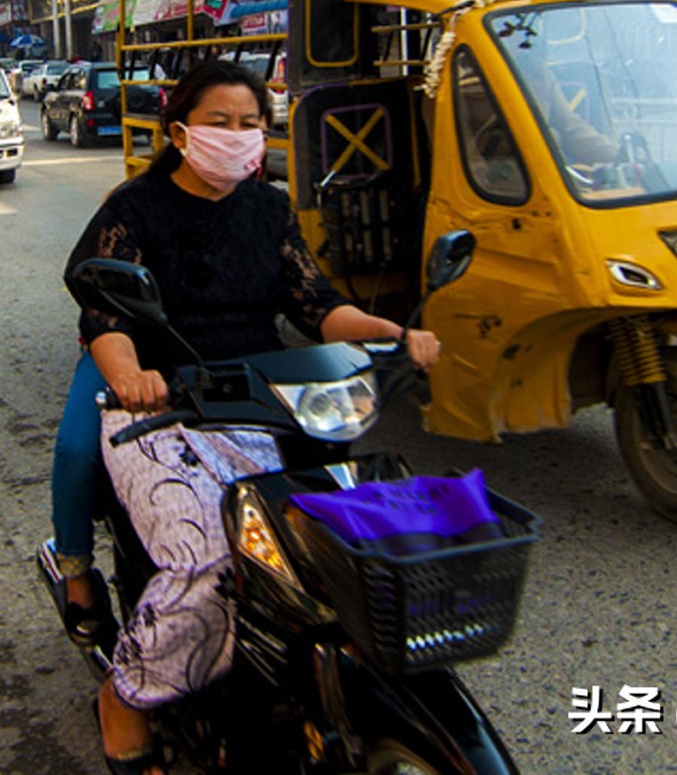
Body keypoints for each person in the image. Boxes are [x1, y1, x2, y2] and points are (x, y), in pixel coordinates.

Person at [58, 58, 440, 775]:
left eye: (251, 123)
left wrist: (389, 332)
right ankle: (126, 697)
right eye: (220, 122)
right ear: (179, 131)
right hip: (166, 408)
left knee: (349, 544)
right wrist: (132, 377)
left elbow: (316, 304)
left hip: (266, 399)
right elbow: (106, 316)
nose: (237, 136)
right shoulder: (134, 209)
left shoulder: (268, 209)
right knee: (214, 558)